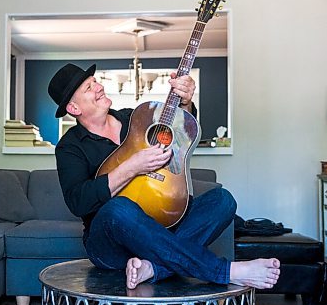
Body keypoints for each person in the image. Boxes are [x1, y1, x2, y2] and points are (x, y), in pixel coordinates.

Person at [48, 63, 280, 290]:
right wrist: (132, 166)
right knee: (117, 208)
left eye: (95, 81)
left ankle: (153, 268)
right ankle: (226, 271)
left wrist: (186, 103)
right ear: (74, 109)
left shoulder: (136, 118)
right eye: (88, 88)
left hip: (162, 227)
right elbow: (78, 202)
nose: (98, 87)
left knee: (223, 200)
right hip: (111, 245)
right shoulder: (70, 147)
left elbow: (179, 132)